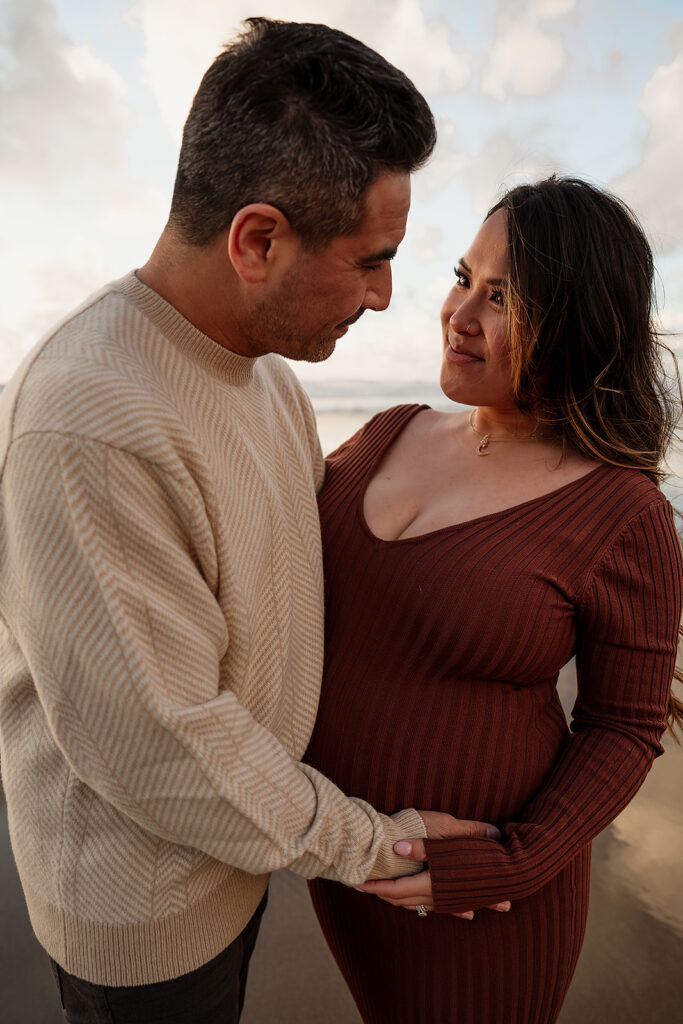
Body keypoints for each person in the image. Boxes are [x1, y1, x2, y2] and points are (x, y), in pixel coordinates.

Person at [0, 18, 501, 1024]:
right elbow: (161, 751)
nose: (385, 293)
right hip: (143, 918)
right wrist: (381, 844)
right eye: (371, 259)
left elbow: (280, 559)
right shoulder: (88, 420)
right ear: (258, 239)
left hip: (246, 849)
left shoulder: (267, 373)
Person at [305, 175, 683, 1024]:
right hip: (351, 862)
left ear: (580, 321)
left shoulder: (623, 513)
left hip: (485, 898)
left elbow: (623, 726)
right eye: (461, 276)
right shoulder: (384, 432)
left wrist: (516, 862)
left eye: (503, 296)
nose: (458, 314)